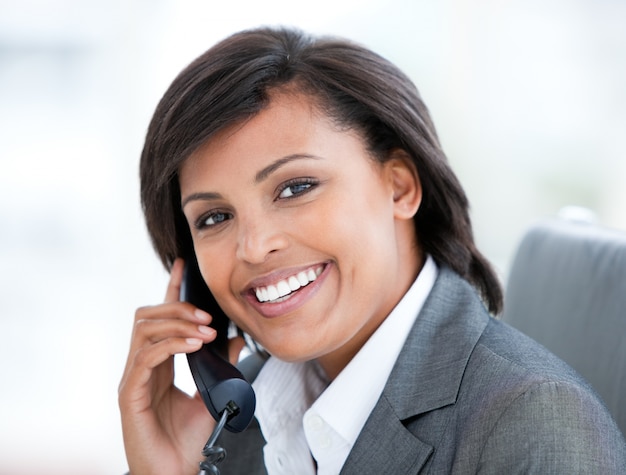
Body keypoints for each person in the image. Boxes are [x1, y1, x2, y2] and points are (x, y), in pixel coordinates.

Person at [118, 26, 626, 474]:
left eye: (295, 187)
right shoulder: (237, 417)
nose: (253, 246)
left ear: (400, 187)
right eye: (215, 218)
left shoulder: (533, 423)